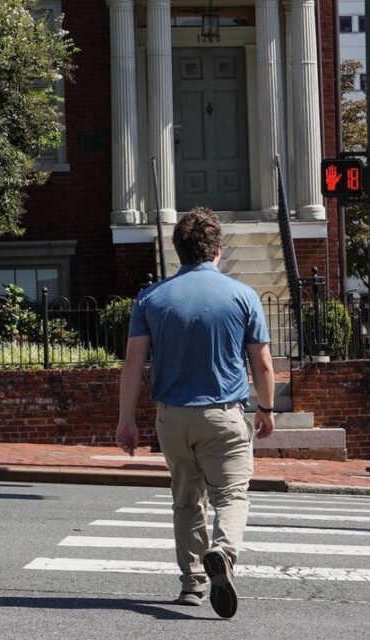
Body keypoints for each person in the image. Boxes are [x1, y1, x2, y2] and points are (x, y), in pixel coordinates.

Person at [115, 209, 275, 619]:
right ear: (217, 250)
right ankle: (222, 551)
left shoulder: (152, 298)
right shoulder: (242, 296)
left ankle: (192, 584)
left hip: (172, 417)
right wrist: (268, 409)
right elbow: (262, 364)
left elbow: (133, 363)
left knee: (187, 501)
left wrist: (126, 419)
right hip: (224, 414)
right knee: (231, 496)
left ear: (178, 251)